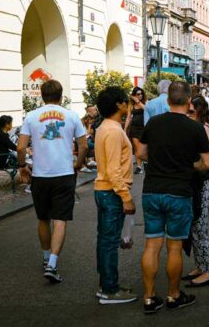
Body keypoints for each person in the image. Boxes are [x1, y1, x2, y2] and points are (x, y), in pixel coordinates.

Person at [137, 81, 209, 314]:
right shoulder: (195, 128)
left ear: (168, 100)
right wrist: (190, 166)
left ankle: (149, 298)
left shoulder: (154, 123)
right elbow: (207, 163)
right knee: (174, 246)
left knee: (152, 245)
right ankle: (173, 295)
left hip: (152, 190)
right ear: (189, 101)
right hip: (179, 192)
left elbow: (140, 153)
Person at [17, 79, 87, 284]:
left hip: (40, 175)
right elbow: (83, 146)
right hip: (64, 174)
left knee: (43, 219)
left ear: (41, 95)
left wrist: (22, 166)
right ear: (61, 95)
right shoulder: (72, 115)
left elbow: (21, 147)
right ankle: (53, 264)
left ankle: (46, 257)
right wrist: (79, 164)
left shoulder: (31, 116)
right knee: (60, 219)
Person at [93, 87, 137, 305]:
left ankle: (107, 285)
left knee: (105, 240)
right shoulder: (113, 131)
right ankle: (110, 289)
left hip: (105, 190)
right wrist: (125, 196)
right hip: (111, 191)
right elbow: (113, 170)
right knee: (109, 242)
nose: (128, 105)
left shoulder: (107, 127)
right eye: (126, 102)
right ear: (119, 105)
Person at [182, 95, 209, 288]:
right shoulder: (197, 127)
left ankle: (208, 271)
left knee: (200, 227)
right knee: (195, 225)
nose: (186, 115)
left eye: (189, 111)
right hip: (198, 182)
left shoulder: (204, 129)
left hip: (205, 183)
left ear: (197, 111)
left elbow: (206, 163)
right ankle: (200, 266)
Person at [124, 87, 147, 174]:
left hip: (144, 128)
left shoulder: (145, 102)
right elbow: (128, 117)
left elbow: (146, 109)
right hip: (134, 128)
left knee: (143, 147)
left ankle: (145, 161)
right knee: (137, 147)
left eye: (141, 94)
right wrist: (125, 129)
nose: (140, 95)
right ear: (134, 95)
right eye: (138, 94)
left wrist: (138, 101)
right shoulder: (131, 104)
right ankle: (138, 166)